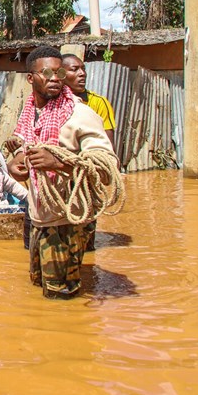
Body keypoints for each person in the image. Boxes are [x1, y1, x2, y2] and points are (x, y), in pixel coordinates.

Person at [7, 45, 117, 300]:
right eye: (46, 72)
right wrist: (18, 163)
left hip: (67, 221)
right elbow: (27, 146)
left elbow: (107, 168)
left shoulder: (80, 114)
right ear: (31, 78)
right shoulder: (31, 112)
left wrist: (58, 164)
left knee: (61, 297)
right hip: (40, 218)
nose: (55, 78)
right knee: (38, 287)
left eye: (59, 72)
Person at [60, 53, 118, 252]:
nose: (82, 73)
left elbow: (106, 145)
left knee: (85, 234)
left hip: (84, 175)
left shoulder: (98, 103)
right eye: (74, 69)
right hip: (59, 178)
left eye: (82, 68)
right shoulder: (50, 104)